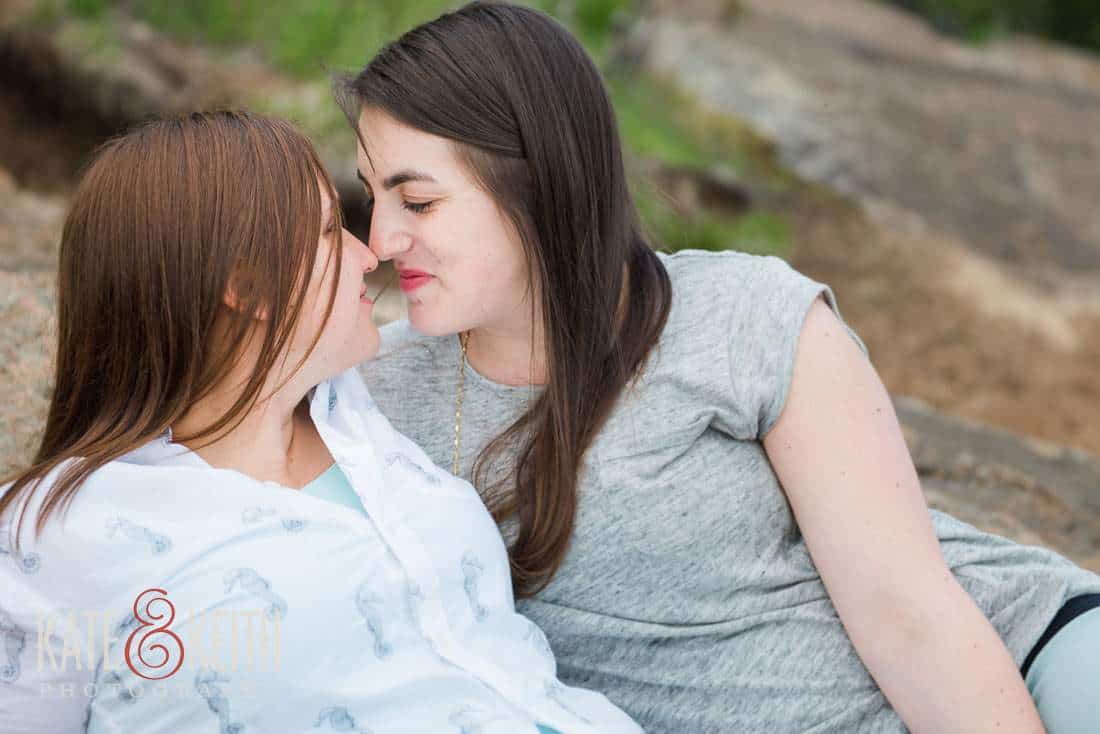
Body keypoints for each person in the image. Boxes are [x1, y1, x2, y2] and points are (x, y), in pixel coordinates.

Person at [340, 3, 1100, 732]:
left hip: (1017, 663)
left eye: (419, 202)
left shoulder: (743, 316)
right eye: (374, 197)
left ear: (536, 183)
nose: (382, 237)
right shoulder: (375, 395)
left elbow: (910, 616)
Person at [0, 111, 642, 734]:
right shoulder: (55, 534)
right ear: (247, 287)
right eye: (334, 231)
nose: (370, 255)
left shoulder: (357, 413)